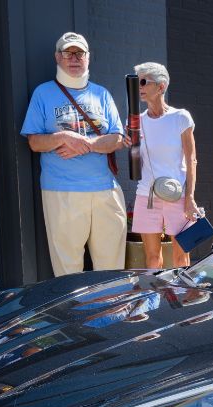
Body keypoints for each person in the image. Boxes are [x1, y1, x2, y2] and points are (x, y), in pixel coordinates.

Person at [21, 32, 127, 276]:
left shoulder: (102, 94)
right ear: (57, 57)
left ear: (88, 58)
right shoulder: (43, 93)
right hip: (62, 190)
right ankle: (73, 315)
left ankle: (109, 313)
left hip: (105, 190)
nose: (74, 58)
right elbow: (34, 142)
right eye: (68, 53)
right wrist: (62, 138)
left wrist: (84, 143)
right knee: (68, 269)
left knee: (111, 270)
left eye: (80, 53)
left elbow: (117, 139)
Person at [131, 61, 198, 269]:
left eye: (143, 82)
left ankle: (183, 299)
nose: (139, 88)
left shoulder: (180, 117)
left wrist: (189, 198)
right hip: (146, 195)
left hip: (175, 195)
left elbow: (191, 159)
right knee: (152, 259)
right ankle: (155, 299)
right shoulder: (136, 122)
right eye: (137, 83)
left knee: (181, 259)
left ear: (161, 86)